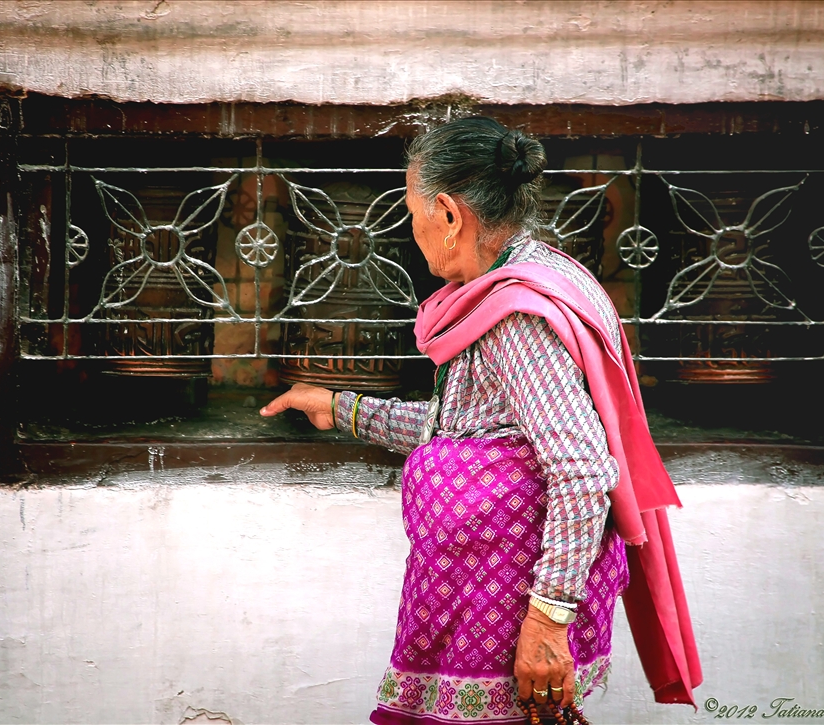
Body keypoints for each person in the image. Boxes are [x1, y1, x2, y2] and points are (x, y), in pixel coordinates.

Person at [261, 117, 700, 724]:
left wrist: (546, 623)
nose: (410, 229)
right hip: (478, 602)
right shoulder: (533, 278)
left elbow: (580, 468)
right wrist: (341, 407)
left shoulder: (517, 316)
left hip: (508, 608)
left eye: (412, 211)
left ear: (447, 214)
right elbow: (467, 424)